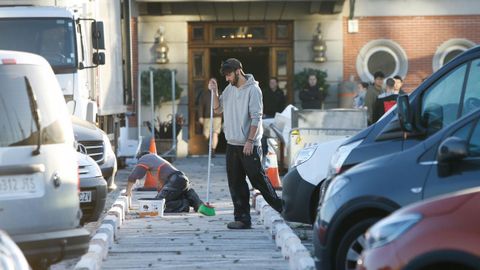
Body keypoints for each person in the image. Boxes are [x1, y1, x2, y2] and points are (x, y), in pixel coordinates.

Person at [210, 58, 283, 230]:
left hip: (249, 144)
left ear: (238, 71)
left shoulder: (254, 90)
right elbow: (217, 109)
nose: (227, 78)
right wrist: (214, 92)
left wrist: (250, 141)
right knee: (235, 183)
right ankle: (242, 219)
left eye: (228, 75)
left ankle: (281, 208)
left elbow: (256, 117)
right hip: (232, 144)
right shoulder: (228, 90)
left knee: (258, 180)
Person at [125, 153, 206, 214]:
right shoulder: (156, 161)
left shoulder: (145, 158)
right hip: (182, 180)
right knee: (161, 200)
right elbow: (162, 189)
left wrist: (128, 191)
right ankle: (192, 199)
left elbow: (133, 177)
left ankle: (182, 205)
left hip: (175, 181)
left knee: (156, 206)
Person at [199, 78, 222, 157]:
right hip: (207, 117)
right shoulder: (204, 94)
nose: (212, 84)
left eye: (213, 83)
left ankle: (212, 150)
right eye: (210, 83)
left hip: (217, 117)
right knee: (206, 134)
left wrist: (224, 118)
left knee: (215, 133)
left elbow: (223, 106)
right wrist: (200, 116)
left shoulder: (219, 93)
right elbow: (201, 106)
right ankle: (208, 148)